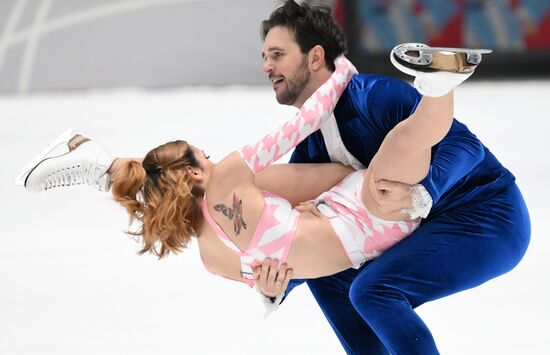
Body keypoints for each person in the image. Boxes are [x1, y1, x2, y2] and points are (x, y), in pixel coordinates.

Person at [16, 1, 530, 354]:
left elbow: (463, 145)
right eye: (263, 55)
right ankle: (104, 167)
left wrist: (424, 192)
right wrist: (272, 285)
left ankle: (443, 81)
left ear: (315, 57)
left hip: (482, 213)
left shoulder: (373, 96)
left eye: (276, 54)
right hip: (381, 219)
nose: (265, 65)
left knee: (373, 291)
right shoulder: (302, 147)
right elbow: (292, 239)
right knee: (341, 281)